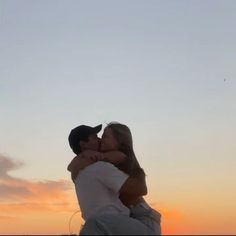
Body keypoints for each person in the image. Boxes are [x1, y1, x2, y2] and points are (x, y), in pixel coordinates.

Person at [68, 123, 161, 235]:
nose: (100, 139)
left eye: (105, 136)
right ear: (83, 145)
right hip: (128, 221)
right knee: (95, 224)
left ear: (118, 141)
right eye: (95, 137)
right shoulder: (95, 164)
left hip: (144, 220)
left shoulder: (114, 161)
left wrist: (94, 157)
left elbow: (142, 189)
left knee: (94, 224)